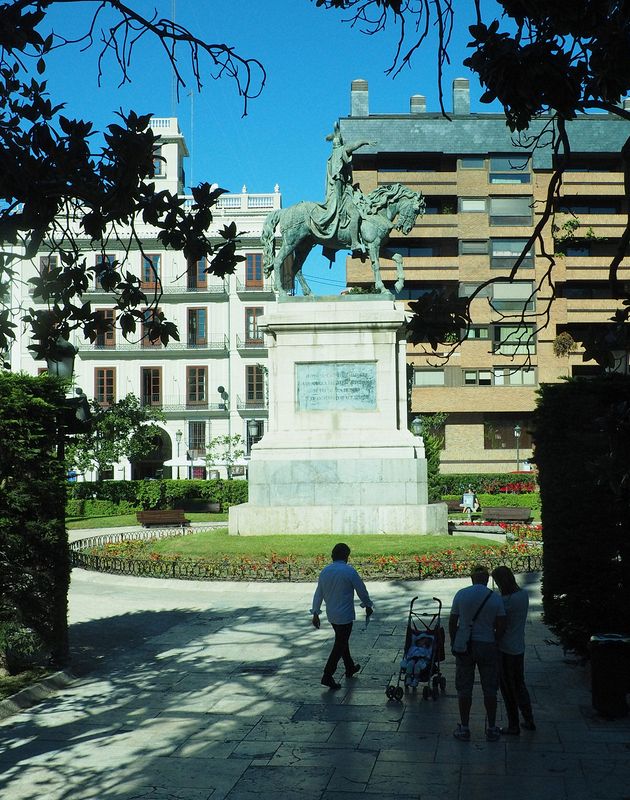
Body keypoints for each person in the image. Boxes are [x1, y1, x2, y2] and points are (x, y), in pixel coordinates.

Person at [449, 564, 506, 742]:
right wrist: (495, 640)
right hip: (487, 643)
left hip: (465, 646)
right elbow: (501, 624)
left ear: (472, 578)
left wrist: (454, 641)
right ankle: (491, 727)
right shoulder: (495, 598)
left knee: (464, 688)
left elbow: (452, 621)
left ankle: (465, 727)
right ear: (487, 579)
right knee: (490, 688)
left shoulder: (461, 594)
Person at [311, 542, 374, 690]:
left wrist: (315, 612)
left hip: (332, 615)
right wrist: (368, 605)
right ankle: (327, 675)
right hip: (345, 615)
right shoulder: (349, 571)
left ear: (333, 556)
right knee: (340, 644)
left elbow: (318, 593)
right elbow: (361, 590)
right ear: (346, 556)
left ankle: (349, 666)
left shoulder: (325, 571)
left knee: (341, 640)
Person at [491, 565, 536, 734]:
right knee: (519, 683)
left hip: (505, 648)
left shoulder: (503, 601)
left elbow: (498, 624)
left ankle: (513, 725)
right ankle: (528, 718)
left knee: (507, 688)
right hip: (519, 647)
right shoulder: (523, 596)